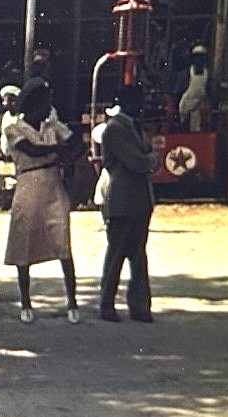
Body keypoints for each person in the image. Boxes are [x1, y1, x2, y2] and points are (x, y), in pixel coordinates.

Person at [1, 80, 79, 323]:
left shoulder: (53, 127)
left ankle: (72, 302)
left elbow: (77, 143)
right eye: (45, 103)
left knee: (62, 241)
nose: (49, 108)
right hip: (29, 186)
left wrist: (67, 154)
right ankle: (26, 302)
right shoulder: (14, 129)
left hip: (54, 185)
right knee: (24, 243)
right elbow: (32, 150)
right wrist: (59, 149)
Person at [98, 85, 158, 323]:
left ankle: (139, 306)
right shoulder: (115, 129)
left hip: (139, 198)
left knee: (138, 255)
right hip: (122, 198)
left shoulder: (134, 126)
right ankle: (107, 303)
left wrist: (148, 159)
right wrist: (150, 160)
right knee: (117, 253)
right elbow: (137, 161)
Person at [174, 45, 212, 132]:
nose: (199, 60)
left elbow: (209, 93)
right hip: (186, 107)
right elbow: (177, 93)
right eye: (197, 57)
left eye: (202, 57)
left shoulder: (208, 75)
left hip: (200, 109)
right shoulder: (185, 74)